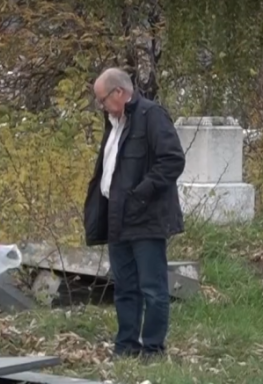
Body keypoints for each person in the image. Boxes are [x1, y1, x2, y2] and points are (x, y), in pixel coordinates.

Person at [84, 67, 186, 358]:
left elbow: (172, 160)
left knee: (153, 289)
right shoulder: (114, 123)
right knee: (125, 287)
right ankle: (126, 346)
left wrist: (141, 193)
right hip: (117, 217)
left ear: (119, 93)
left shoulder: (150, 116)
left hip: (146, 217)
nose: (101, 106)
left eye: (102, 100)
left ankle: (153, 349)